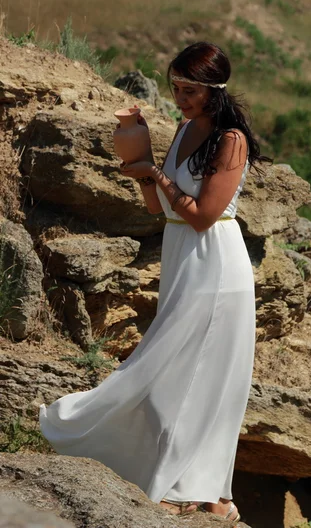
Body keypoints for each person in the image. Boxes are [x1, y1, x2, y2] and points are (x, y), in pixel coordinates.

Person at [40, 42, 268, 524]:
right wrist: (142, 172)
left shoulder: (231, 140)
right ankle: (195, 485)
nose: (180, 98)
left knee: (198, 375)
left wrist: (154, 176)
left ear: (214, 90)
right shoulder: (186, 129)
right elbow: (156, 209)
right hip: (181, 254)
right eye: (175, 88)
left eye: (190, 90)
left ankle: (202, 488)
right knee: (175, 369)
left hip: (215, 263)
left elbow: (205, 216)